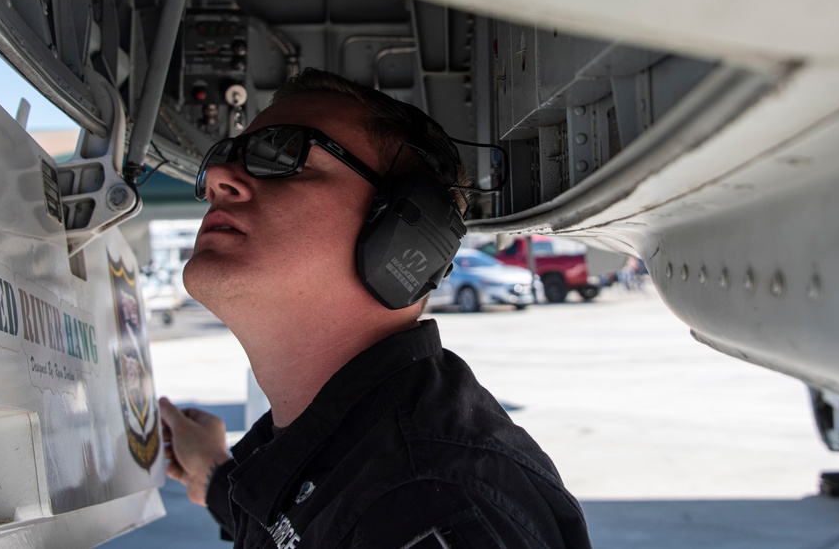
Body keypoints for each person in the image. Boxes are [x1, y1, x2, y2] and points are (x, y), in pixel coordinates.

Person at [159, 69, 592, 548]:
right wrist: (216, 475)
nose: (219, 177)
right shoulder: (359, 459)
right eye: (224, 157)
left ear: (408, 235)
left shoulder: (431, 500)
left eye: (284, 153)